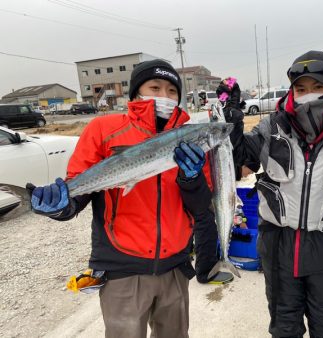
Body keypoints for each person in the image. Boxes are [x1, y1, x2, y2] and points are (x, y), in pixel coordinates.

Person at [28, 59, 231, 338]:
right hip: (122, 270)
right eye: (155, 87)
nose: (164, 96)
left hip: (174, 267)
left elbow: (201, 207)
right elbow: (78, 194)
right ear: (136, 93)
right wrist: (60, 205)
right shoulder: (103, 129)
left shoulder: (193, 137)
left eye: (172, 91)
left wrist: (190, 177)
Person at [225, 50, 323, 337]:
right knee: (284, 327)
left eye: (318, 87)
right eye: (301, 89)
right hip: (277, 247)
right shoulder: (272, 128)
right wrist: (233, 124)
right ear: (292, 92)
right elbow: (241, 163)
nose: (309, 95)